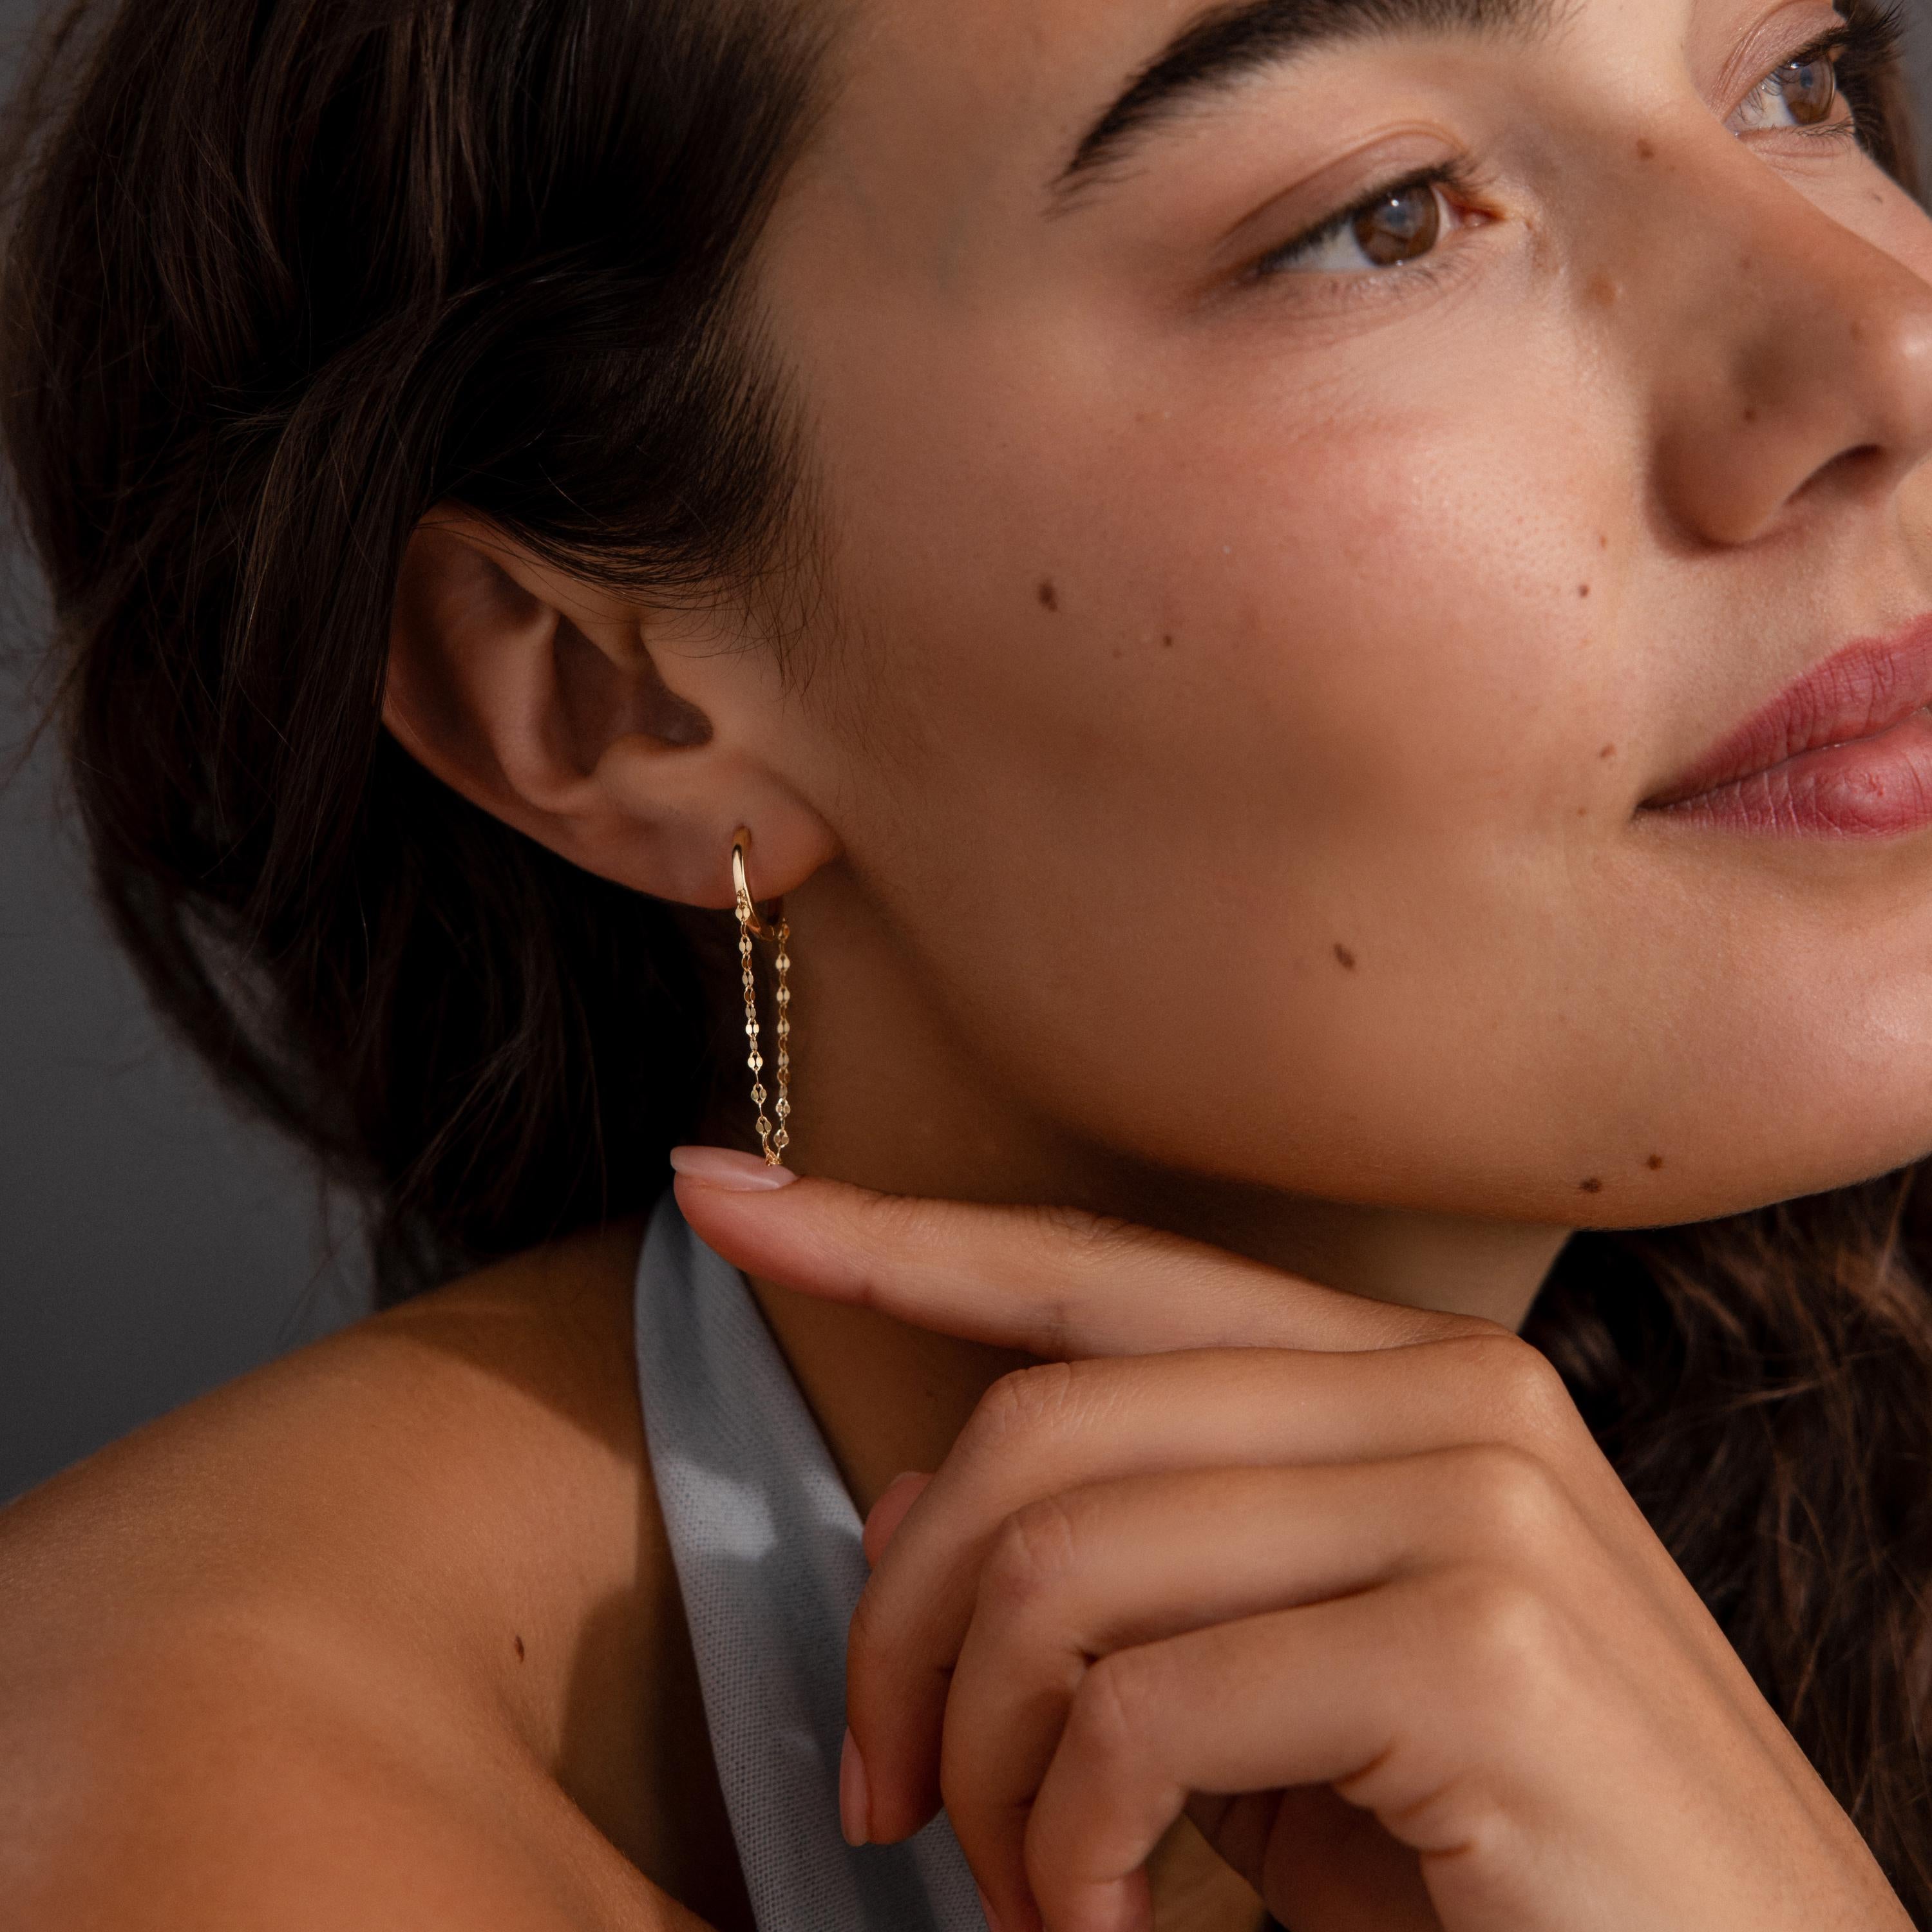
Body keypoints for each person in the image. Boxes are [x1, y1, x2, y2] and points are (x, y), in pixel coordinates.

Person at [2, 0, 1931, 1924]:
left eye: (1795, 77)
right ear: (607, 696)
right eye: (1390, 215)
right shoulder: (179, 1825)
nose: (1886, 347)